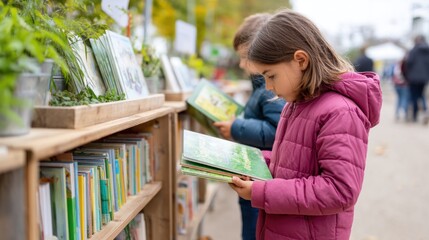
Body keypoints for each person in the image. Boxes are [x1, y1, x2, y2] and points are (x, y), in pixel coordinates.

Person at [229, 9, 382, 240]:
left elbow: (339, 190)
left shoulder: (341, 112)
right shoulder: (297, 103)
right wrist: (256, 162)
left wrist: (261, 191)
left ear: (300, 60)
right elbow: (295, 163)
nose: (268, 87)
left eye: (271, 76)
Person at [213, 13, 286, 240]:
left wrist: (237, 127)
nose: (243, 64)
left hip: (260, 177)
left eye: (246, 57)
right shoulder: (261, 85)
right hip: (254, 174)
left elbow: (276, 131)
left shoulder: (270, 87)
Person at [404, 35, 429, 124]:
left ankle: (414, 116)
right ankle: (425, 112)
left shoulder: (413, 50)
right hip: (424, 78)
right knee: (421, 95)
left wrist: (407, 76)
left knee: (414, 96)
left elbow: (409, 63)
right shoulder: (427, 50)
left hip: (413, 78)